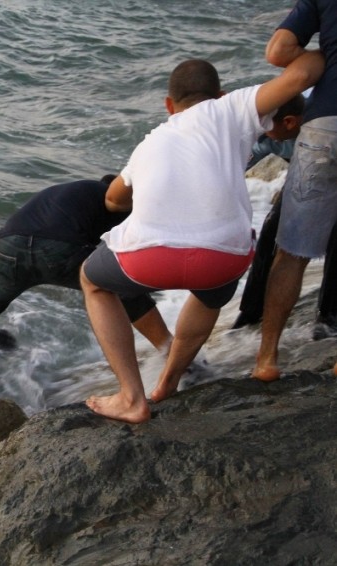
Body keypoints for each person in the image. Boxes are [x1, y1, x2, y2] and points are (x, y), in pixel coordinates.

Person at [80, 55, 323, 423]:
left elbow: (113, 198)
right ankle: (169, 380)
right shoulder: (232, 108)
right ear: (220, 93)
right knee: (211, 292)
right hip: (223, 260)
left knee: (93, 281)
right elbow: (304, 74)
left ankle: (132, 396)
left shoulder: (150, 141)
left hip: (147, 259)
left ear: (168, 105)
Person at [0, 177, 173, 394]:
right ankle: (173, 356)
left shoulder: (75, 193)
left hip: (9, 246)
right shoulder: (115, 203)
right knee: (125, 290)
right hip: (58, 247)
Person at [255, 0, 337, 381]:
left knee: (290, 254)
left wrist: (327, 53)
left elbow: (278, 51)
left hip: (323, 126)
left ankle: (266, 360)